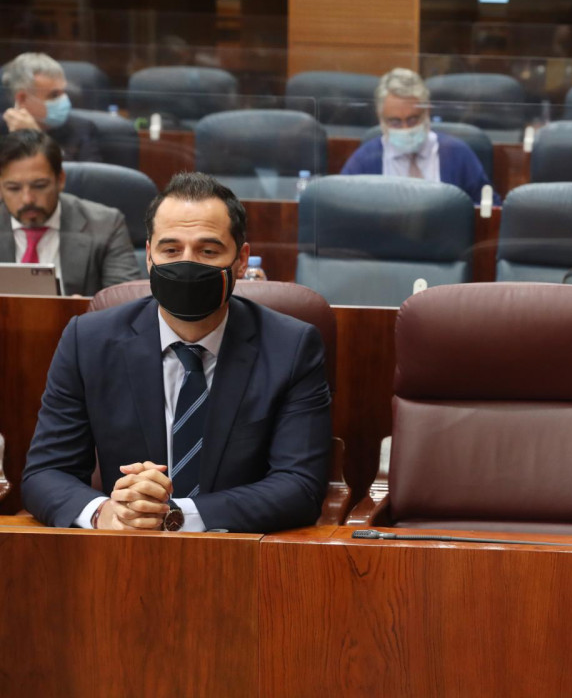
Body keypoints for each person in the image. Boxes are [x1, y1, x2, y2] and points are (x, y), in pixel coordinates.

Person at [21, 172, 332, 533]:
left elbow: (300, 487)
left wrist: (175, 515)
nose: (187, 264)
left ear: (241, 260)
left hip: (241, 558)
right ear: (149, 256)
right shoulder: (89, 340)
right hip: (122, 555)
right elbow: (45, 473)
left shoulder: (291, 347)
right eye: (171, 250)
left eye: (208, 251)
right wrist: (105, 512)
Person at [0, 130, 140, 295]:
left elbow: (126, 302)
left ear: (60, 180)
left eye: (39, 186)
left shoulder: (106, 225)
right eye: (13, 188)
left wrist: (84, 311)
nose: (27, 199)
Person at [341, 68, 496, 205]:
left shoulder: (458, 154)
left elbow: (488, 211)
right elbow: (342, 212)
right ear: (380, 119)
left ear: (427, 112)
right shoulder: (364, 161)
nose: (406, 128)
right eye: (395, 122)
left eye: (413, 119)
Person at [2, 52, 101, 162]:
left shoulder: (82, 129)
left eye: (64, 92)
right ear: (23, 98)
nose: (64, 99)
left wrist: (36, 138)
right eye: (54, 95)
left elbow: (82, 178)